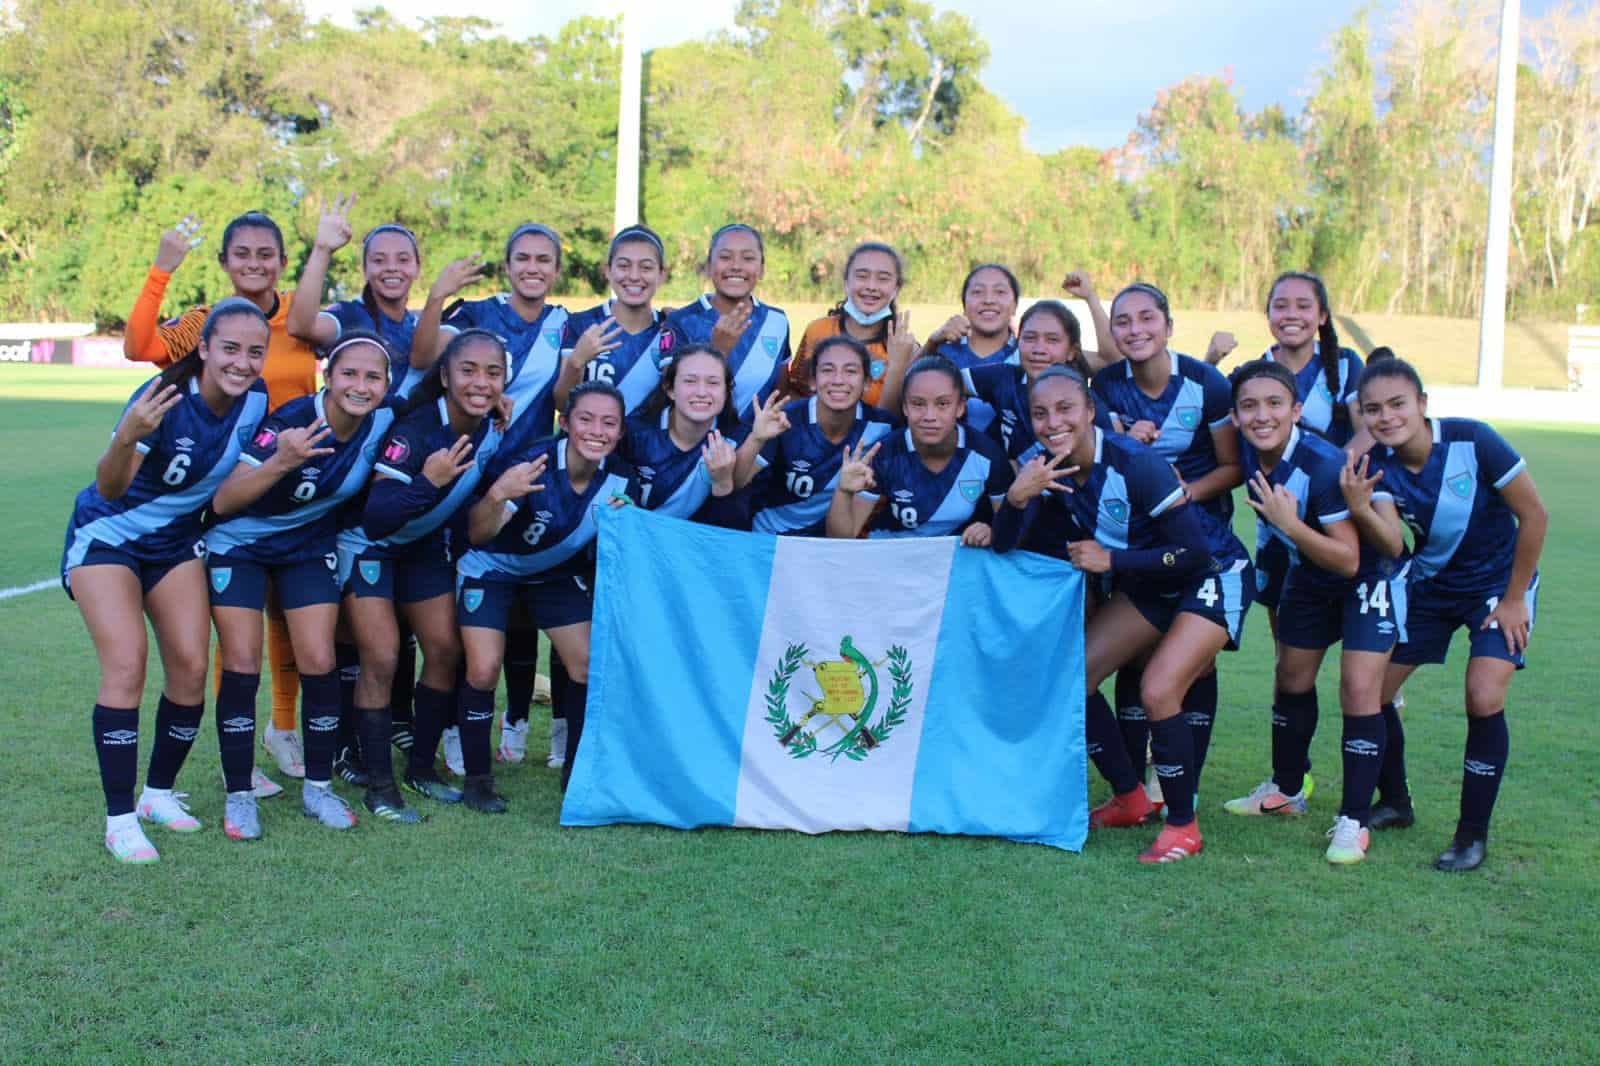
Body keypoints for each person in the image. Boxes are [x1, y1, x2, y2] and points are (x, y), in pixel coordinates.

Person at [992, 367, 1253, 863]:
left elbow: (1195, 553)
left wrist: (1112, 561)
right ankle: (1130, 798)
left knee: (1158, 689)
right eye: (1040, 414)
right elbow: (1005, 544)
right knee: (1074, 678)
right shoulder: (1041, 469)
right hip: (1151, 579)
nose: (1053, 422)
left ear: (1091, 411)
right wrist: (1016, 497)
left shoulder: (1136, 463)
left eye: (1066, 408)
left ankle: (1183, 826)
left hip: (1213, 572)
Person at [68, 299, 272, 863]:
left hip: (175, 542)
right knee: (127, 664)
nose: (242, 362)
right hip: (108, 535)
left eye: (255, 352)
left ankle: (158, 794)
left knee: (190, 666)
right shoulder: (162, 397)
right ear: (203, 349)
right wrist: (126, 437)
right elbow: (109, 488)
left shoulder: (257, 401)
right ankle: (120, 820)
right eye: (229, 349)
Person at [123, 211, 319, 791]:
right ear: (225, 262)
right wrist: (162, 269)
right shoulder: (208, 323)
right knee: (236, 632)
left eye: (266, 254)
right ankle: (241, 755)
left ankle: (284, 728)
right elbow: (139, 346)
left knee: (290, 621)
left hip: (297, 485)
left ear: (283, 262)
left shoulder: (301, 316)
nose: (254, 264)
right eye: (242, 254)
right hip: (229, 488)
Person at [206, 332, 410, 835]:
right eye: (349, 374)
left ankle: (318, 789)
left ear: (386, 386)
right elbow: (225, 500)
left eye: (373, 377)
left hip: (306, 546)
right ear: (327, 377)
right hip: (240, 542)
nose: (360, 386)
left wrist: (499, 407)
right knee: (242, 662)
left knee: (319, 660)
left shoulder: (384, 418)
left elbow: (437, 395)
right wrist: (283, 461)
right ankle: (239, 795)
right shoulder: (292, 422)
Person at [1352, 353, 1548, 872]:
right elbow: (1393, 544)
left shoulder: (1473, 440)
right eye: (1373, 409)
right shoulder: (1377, 465)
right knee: (1373, 693)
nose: (1387, 417)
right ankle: (1396, 802)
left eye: (1398, 404)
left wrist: (1513, 600)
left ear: (1422, 403)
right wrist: (1359, 506)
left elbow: (1534, 515)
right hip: (1432, 586)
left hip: (1499, 586)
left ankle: (1470, 836)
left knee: (1484, 695)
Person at [1217, 362, 1408, 865]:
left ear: (1296, 410)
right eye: (1249, 406)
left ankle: (1353, 821)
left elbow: (1349, 559)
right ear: (1235, 416)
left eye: (1274, 404)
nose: (1262, 415)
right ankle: (1286, 789)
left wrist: (1289, 525)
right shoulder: (1250, 449)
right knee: (1291, 678)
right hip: (1308, 575)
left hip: (1366, 579)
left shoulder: (1322, 466)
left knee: (1359, 690)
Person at [336, 330, 507, 812]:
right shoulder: (416, 428)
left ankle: (421, 768)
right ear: (446, 376)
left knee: (445, 649)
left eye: (493, 373)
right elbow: (377, 516)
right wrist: (429, 481)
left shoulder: (491, 426)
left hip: (423, 545)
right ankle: (378, 785)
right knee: (382, 656)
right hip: (370, 545)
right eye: (468, 371)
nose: (481, 382)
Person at [1091, 282, 1243, 801]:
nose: (1135, 330)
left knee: (1195, 663)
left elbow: (1233, 466)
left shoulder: (1207, 384)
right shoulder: (1105, 384)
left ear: (1169, 326)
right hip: (1137, 543)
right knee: (1137, 657)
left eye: (1147, 318)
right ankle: (1135, 782)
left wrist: (1182, 493)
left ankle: (1181, 783)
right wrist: (1123, 439)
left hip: (1203, 541)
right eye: (1123, 321)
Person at [458, 381, 639, 796]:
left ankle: (576, 773)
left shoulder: (621, 479)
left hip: (552, 574)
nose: (597, 431)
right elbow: (478, 534)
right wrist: (498, 495)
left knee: (588, 664)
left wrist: (626, 525)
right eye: (586, 419)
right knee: (483, 668)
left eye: (609, 423)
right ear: (565, 423)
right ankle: (477, 781)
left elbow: (620, 548)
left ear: (621, 432)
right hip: (492, 567)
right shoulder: (533, 464)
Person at [1248, 272, 1372, 629]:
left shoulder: (1346, 364)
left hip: (1337, 510)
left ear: (1322, 316)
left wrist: (1329, 473)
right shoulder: (1255, 371)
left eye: (1303, 306)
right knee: (1288, 638)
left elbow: (1369, 430)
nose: (1291, 314)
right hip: (1277, 516)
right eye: (1280, 305)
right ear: (1268, 314)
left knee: (1355, 628)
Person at [826, 353, 1012, 543]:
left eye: (942, 404)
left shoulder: (987, 455)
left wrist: (992, 532)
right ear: (905, 407)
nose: (929, 416)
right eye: (918, 404)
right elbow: (840, 540)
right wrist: (843, 491)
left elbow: (1009, 533)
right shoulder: (884, 454)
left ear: (960, 407)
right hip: (892, 551)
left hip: (953, 554)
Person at [745, 335, 898, 537]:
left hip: (828, 545)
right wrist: (755, 439)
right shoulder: (784, 421)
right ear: (812, 381)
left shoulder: (884, 429)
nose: (838, 380)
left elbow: (842, 537)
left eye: (851, 371)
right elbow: (735, 483)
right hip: (770, 537)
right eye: (827, 370)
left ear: (867, 382)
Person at [286, 195, 439, 396]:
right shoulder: (349, 316)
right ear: (365, 270)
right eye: (379, 260)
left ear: (417, 268)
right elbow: (300, 326)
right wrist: (322, 250)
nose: (392, 267)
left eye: (403, 260)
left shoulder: (420, 327)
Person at [663, 224, 791, 420]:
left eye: (748, 258)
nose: (736, 266)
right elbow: (670, 393)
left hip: (760, 437)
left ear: (762, 269)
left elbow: (780, 394)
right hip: (702, 437)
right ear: (708, 267)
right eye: (725, 257)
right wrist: (717, 351)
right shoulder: (681, 321)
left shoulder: (777, 320)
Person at [962, 298, 1113, 460]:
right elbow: (947, 383)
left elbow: (1110, 460)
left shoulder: (1087, 404)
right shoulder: (1004, 378)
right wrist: (939, 339)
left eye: (1052, 340)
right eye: (1030, 338)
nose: (1039, 349)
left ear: (1071, 352)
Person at [622, 344, 753, 526]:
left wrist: (722, 484)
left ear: (727, 390)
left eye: (713, 383)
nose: (701, 392)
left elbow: (732, 530)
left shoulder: (738, 439)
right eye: (690, 381)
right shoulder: (634, 434)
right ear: (670, 389)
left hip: (694, 542)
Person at [780, 241, 919, 409]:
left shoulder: (904, 347)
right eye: (862, 276)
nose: (871, 286)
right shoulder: (817, 331)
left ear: (896, 288)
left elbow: (901, 415)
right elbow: (797, 391)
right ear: (846, 282)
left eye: (883, 279)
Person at [555, 224, 675, 416]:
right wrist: (576, 362)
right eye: (623, 266)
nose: (634, 276)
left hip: (650, 437)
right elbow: (562, 404)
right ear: (608, 270)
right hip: (591, 435)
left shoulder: (671, 329)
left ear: (661, 274)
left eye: (646, 267)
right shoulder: (581, 324)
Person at [921, 263, 1020, 435]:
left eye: (1000, 292)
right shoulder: (943, 354)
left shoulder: (1028, 356)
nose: (988, 300)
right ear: (964, 305)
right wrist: (931, 342)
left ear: (1015, 305)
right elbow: (908, 396)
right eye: (977, 292)